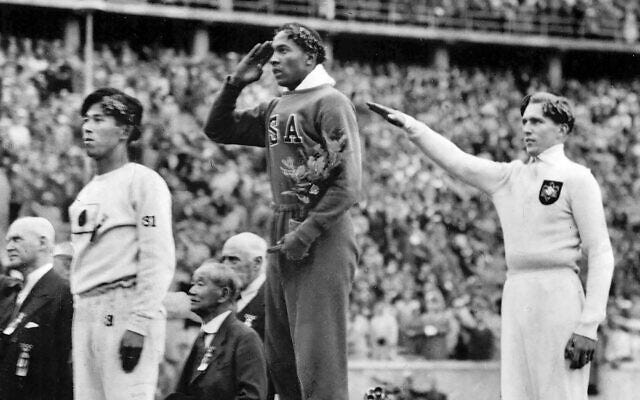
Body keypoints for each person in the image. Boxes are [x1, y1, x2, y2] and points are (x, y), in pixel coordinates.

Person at [368, 92, 614, 400]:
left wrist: (589, 325)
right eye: (524, 121)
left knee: (560, 392)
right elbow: (459, 161)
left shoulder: (578, 178)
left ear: (562, 129)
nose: (527, 128)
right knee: (516, 392)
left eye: (537, 121)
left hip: (558, 291)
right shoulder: (509, 177)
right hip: (516, 291)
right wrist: (411, 126)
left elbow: (602, 252)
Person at [204, 23, 362, 400]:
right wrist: (235, 84)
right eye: (272, 51)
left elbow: (348, 183)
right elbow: (218, 128)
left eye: (284, 50)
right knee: (282, 360)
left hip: (320, 231)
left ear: (310, 57)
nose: (274, 59)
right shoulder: (277, 105)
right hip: (283, 229)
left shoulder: (330, 101)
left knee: (317, 362)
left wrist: (305, 233)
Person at [69, 88, 176, 400]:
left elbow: (157, 257)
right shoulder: (87, 192)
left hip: (125, 306)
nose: (87, 127)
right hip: (86, 308)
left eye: (99, 120)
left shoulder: (142, 181)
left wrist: (139, 323)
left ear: (125, 130)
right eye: (86, 120)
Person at [166, 262, 267, 400]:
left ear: (223, 294)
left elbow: (252, 397)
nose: (192, 290)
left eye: (200, 284)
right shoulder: (204, 336)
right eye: (193, 283)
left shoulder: (245, 337)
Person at [0, 217, 73, 400]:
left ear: (42, 242)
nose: (9, 247)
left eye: (17, 239)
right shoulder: (13, 293)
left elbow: (63, 367)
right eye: (8, 241)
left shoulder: (63, 293)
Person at [220, 232, 268, 339]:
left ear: (257, 263)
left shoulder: (275, 300)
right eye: (223, 259)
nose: (225, 266)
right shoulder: (224, 297)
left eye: (233, 260)